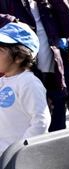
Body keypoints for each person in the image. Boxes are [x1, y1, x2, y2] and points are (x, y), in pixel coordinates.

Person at [0, 0, 69, 131]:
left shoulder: (45, 4)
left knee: (56, 132)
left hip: (53, 76)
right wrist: (12, 22)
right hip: (19, 74)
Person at [0, 22, 51, 155]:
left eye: (0, 51)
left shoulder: (29, 83)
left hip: (16, 157)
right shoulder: (3, 81)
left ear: (20, 57)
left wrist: (20, 151)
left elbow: (41, 121)